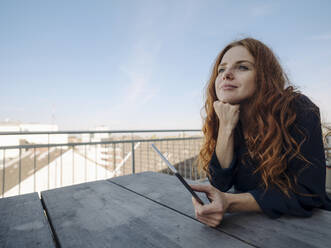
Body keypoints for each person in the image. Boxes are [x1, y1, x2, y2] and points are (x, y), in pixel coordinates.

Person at [190, 37, 331, 227]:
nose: (226, 75)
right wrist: (226, 127)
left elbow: (308, 192)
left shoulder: (297, 109)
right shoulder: (229, 117)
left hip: (309, 227)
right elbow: (220, 184)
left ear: (265, 76)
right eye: (221, 69)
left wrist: (230, 202)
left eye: (242, 67)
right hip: (253, 227)